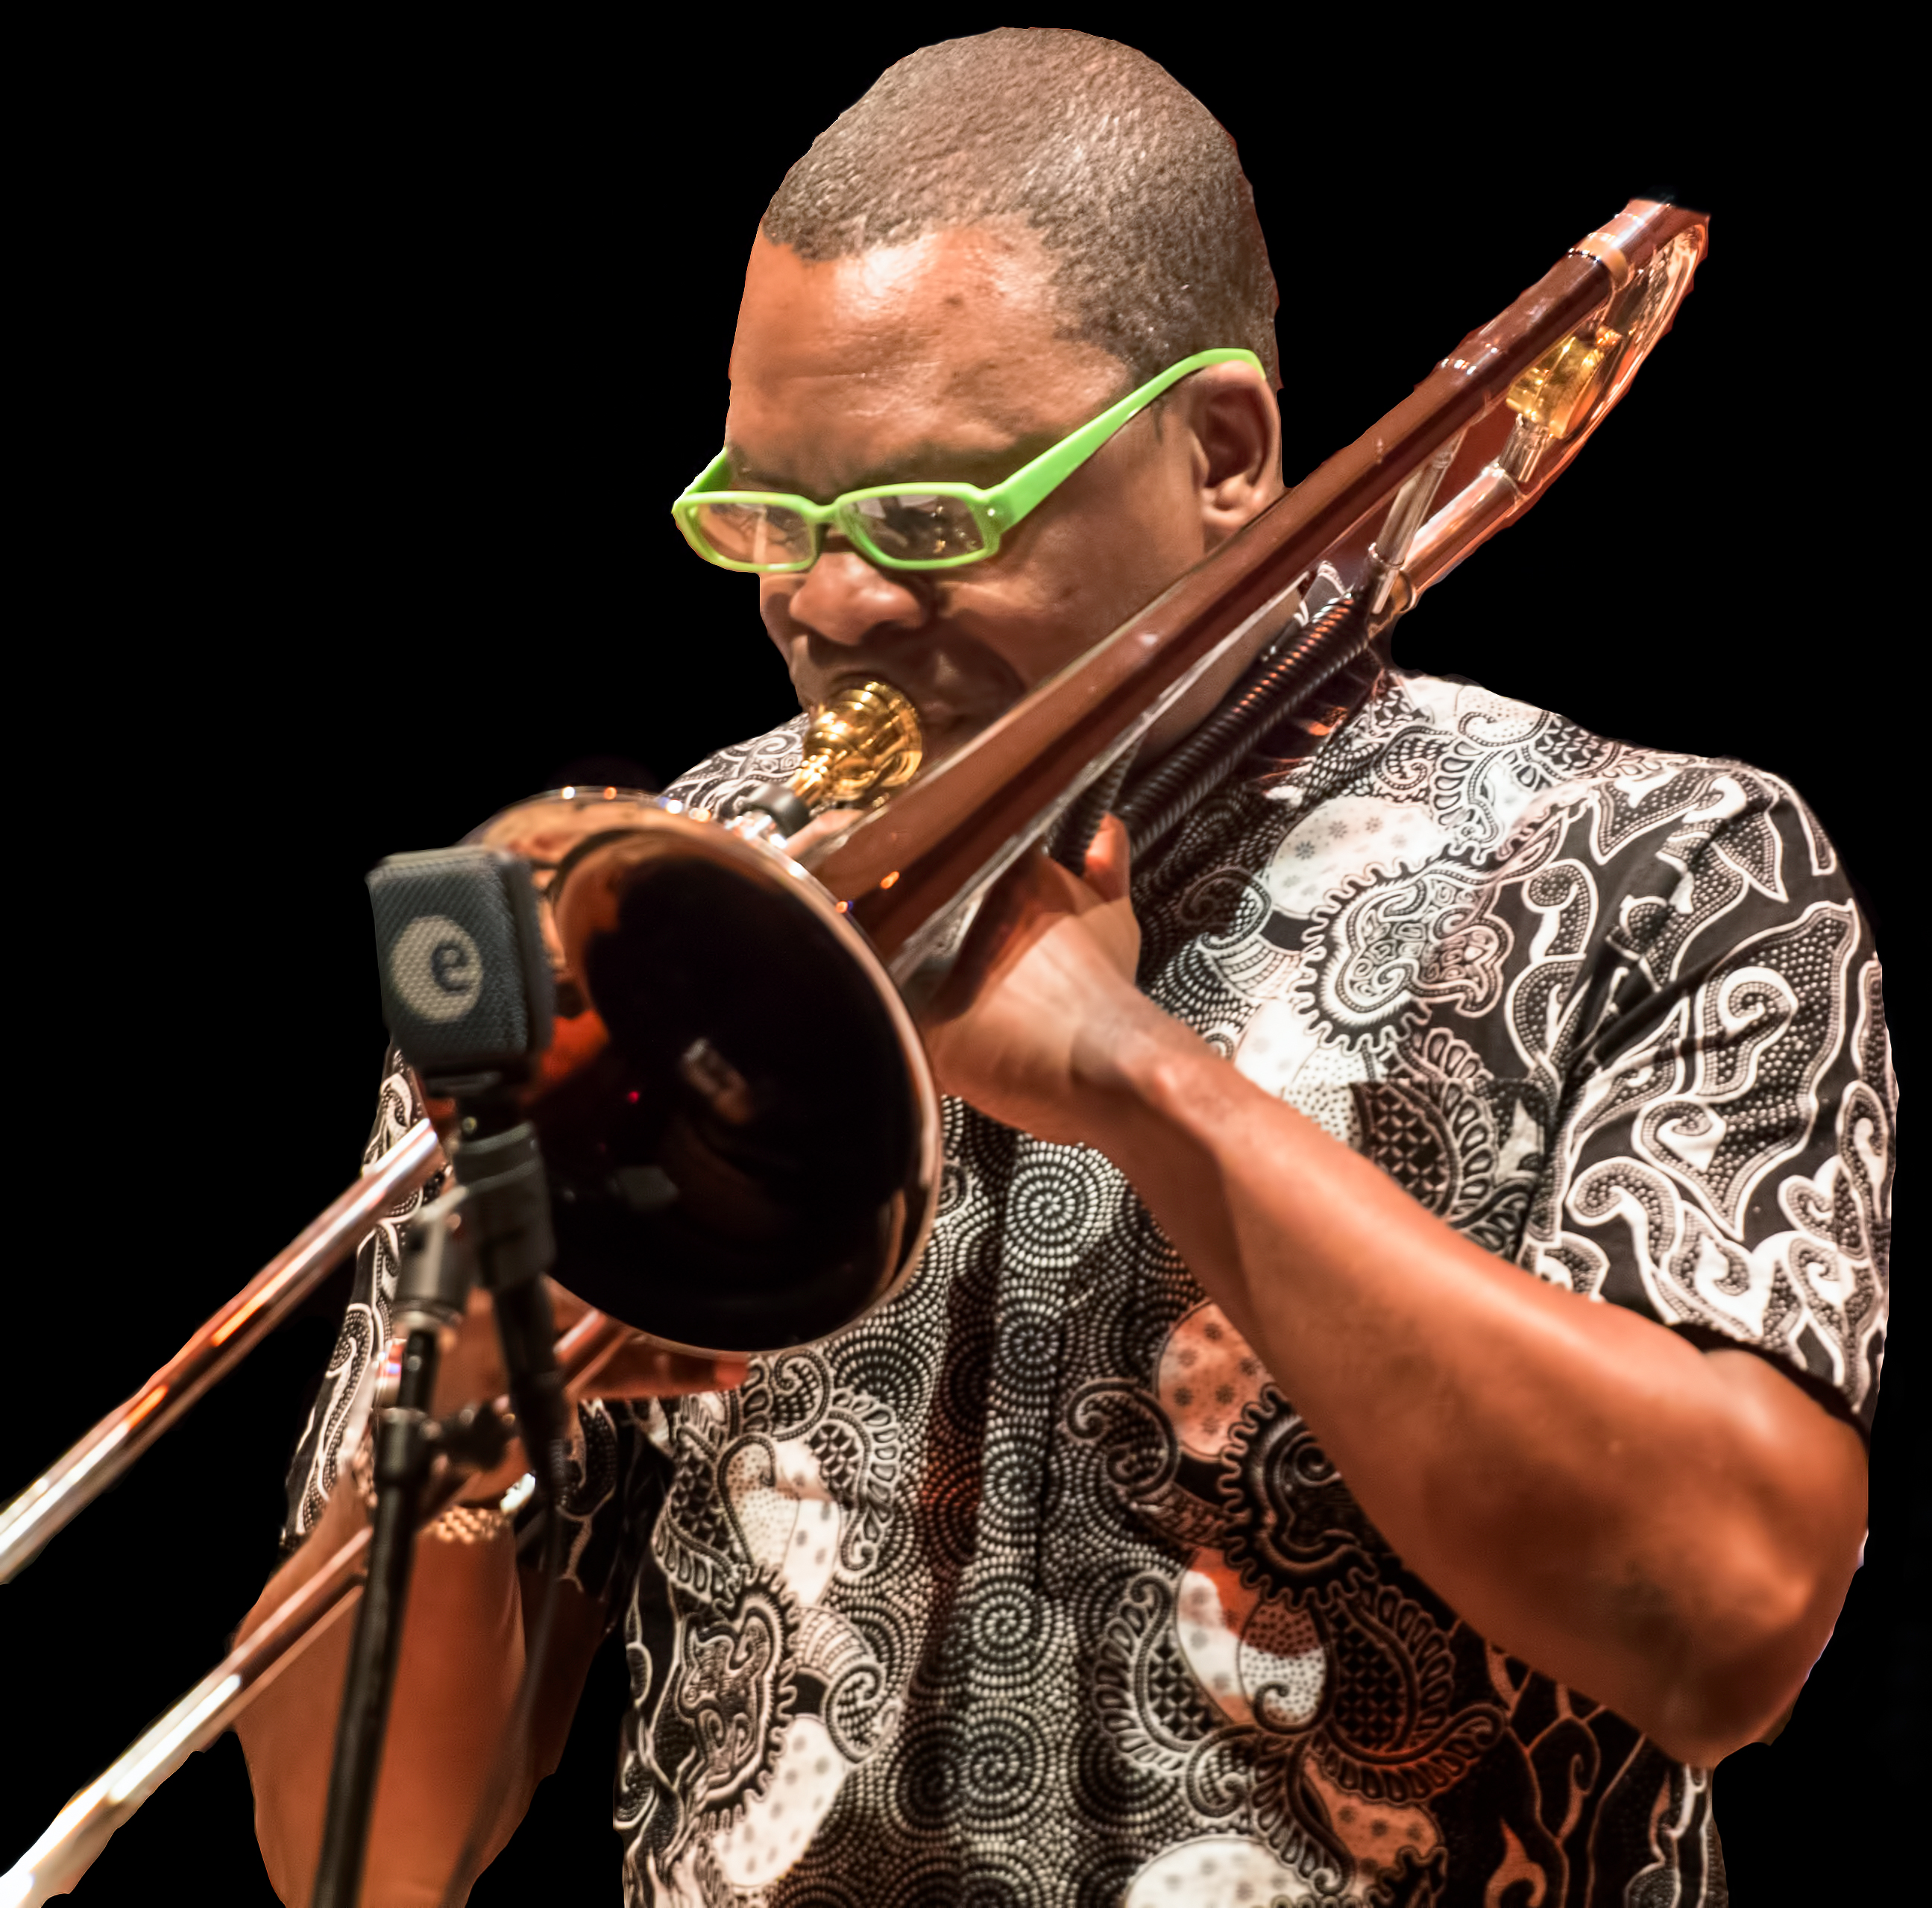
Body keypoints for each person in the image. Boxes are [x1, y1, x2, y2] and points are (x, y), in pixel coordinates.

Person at [235, 30, 1889, 1907]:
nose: (833, 607)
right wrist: (457, 1412)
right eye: (774, 522)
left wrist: (1133, 1068)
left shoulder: (1653, 863)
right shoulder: (640, 911)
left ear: (1226, 455)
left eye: (936, 521)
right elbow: (345, 1856)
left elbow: (1727, 1623)